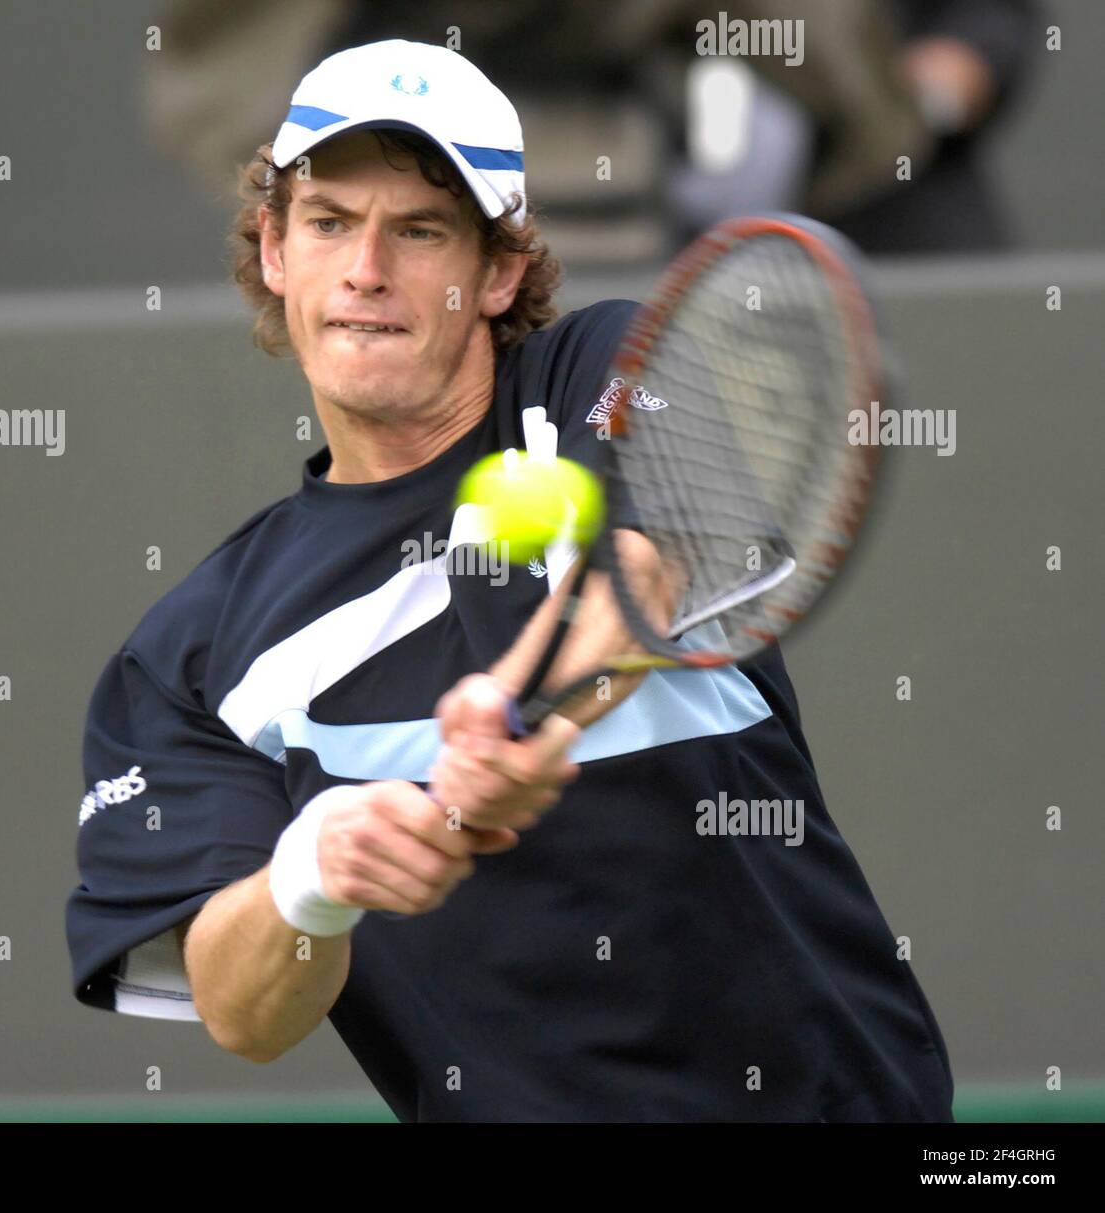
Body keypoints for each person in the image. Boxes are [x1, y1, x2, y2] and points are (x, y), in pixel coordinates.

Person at [65, 38, 954, 1123]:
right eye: (330, 221)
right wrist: (315, 875)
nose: (366, 270)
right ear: (276, 248)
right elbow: (243, 1008)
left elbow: (647, 569)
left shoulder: (602, 367)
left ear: (497, 273)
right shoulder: (188, 660)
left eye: (421, 230)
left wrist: (522, 715)